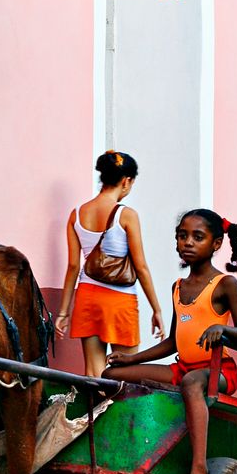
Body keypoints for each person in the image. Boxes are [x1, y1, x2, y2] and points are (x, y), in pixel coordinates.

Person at [103, 209, 237, 474]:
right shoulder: (178, 287)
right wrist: (129, 360)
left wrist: (222, 329)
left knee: (192, 381)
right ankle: (135, 451)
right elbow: (173, 341)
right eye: (182, 236)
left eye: (198, 237)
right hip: (182, 367)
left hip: (216, 371)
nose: (188, 242)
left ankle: (199, 471)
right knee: (110, 377)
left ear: (216, 243)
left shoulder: (224, 285)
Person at [55, 151, 164, 378]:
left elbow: (74, 267)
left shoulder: (76, 214)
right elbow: (141, 267)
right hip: (119, 301)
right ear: (126, 181)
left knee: (94, 374)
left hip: (87, 298)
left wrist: (64, 312)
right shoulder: (127, 215)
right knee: (127, 373)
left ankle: (95, 414)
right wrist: (157, 309)